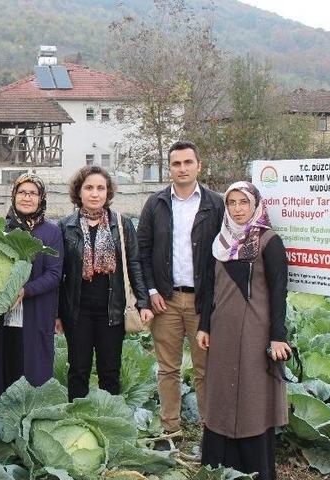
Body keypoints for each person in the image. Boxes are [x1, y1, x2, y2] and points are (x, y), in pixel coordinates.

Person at [196, 181, 290, 478]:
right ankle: (220, 467)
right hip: (222, 330)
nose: (237, 208)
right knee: (222, 393)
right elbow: (210, 288)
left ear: (255, 205)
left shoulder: (269, 241)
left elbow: (279, 291)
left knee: (252, 395)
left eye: (243, 202)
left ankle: (254, 468)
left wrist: (278, 336)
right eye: (232, 202)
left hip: (255, 331)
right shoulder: (220, 241)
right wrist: (204, 326)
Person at [137, 141, 223, 441]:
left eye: (188, 162)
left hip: (203, 302)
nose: (182, 168)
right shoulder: (156, 203)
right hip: (167, 300)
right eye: (176, 164)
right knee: (168, 369)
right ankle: (170, 429)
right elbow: (142, 250)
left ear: (199, 166)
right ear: (169, 168)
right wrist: (150, 290)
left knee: (205, 370)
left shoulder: (216, 203)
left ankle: (210, 431)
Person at [58, 166, 153, 401]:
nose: (95, 193)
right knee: (78, 371)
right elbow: (59, 274)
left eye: (101, 188)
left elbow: (134, 265)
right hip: (77, 312)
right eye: (89, 188)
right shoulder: (65, 226)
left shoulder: (121, 224)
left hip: (112, 311)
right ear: (79, 192)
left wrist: (144, 302)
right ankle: (77, 420)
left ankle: (110, 420)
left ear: (108, 192)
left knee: (109, 372)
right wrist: (56, 313)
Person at [0, 173, 63, 397]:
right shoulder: (0, 230)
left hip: (35, 314)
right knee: (1, 369)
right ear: (14, 195)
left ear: (41, 198)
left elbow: (54, 274)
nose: (27, 197)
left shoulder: (51, 232)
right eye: (22, 192)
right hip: (0, 315)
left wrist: (24, 290)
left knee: (33, 374)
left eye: (33, 193)